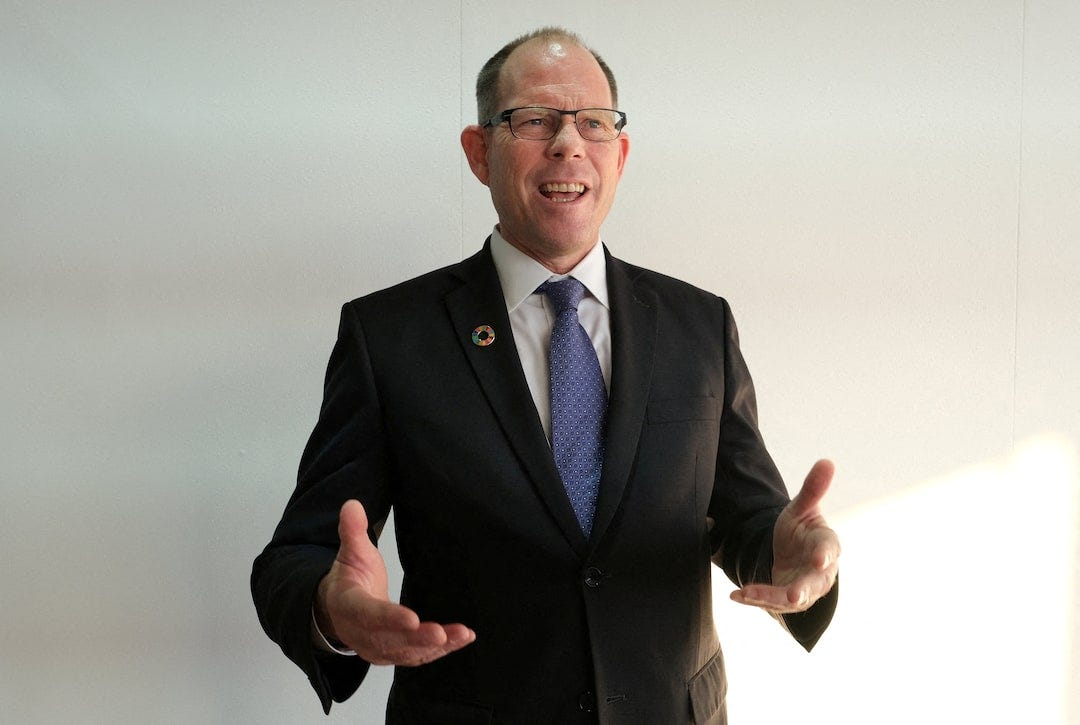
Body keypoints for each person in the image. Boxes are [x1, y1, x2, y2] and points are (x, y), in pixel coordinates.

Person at [252, 26, 839, 724]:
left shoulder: (698, 325)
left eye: (593, 123)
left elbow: (742, 517)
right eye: (533, 120)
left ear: (618, 155)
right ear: (479, 152)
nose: (568, 143)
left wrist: (790, 552)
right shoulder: (390, 337)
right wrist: (333, 608)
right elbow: (298, 552)